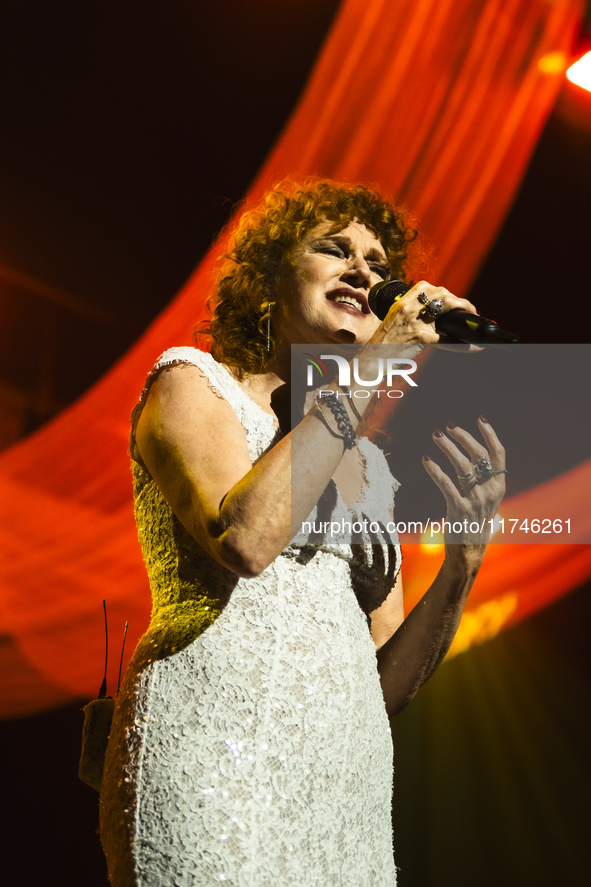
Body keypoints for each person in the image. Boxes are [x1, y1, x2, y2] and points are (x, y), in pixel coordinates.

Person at [99, 179, 505, 886]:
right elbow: (247, 538)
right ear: (268, 279)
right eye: (333, 249)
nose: (365, 273)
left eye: (379, 264)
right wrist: (381, 359)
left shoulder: (367, 468)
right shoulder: (192, 384)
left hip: (336, 790)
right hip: (213, 758)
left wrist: (462, 564)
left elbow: (383, 688)